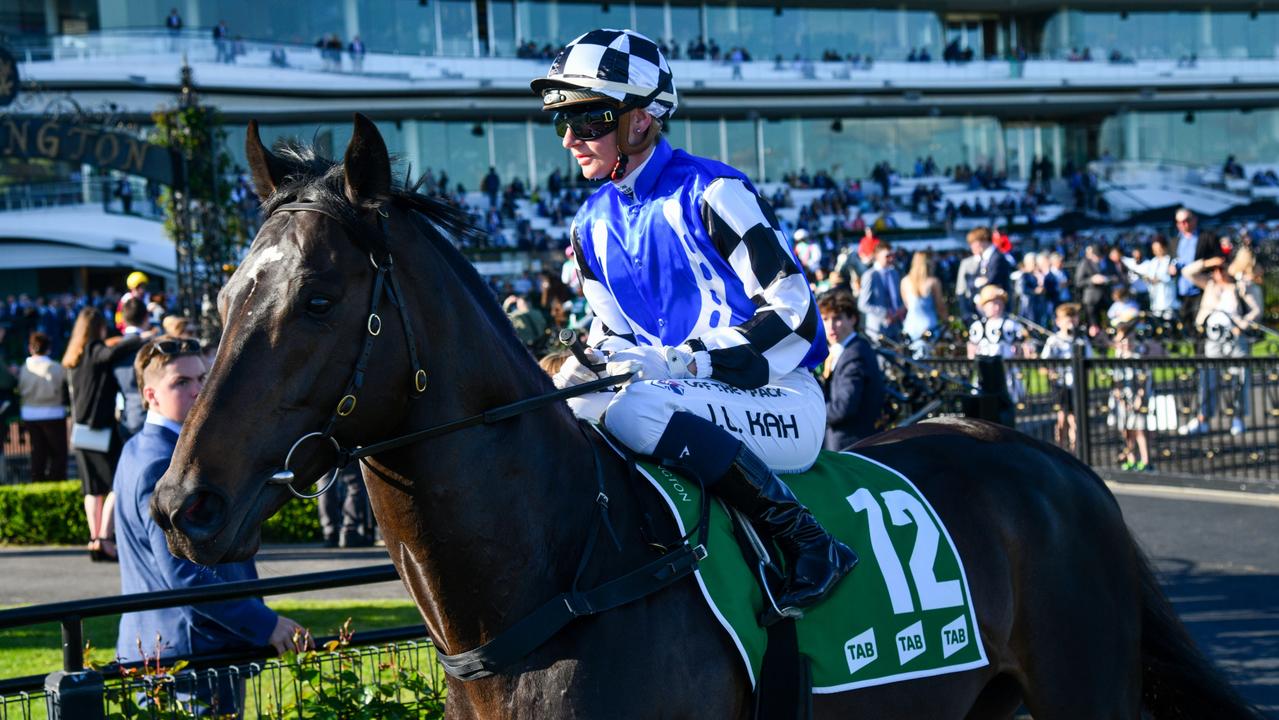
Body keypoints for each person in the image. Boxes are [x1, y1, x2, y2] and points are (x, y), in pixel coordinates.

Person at [535, 28, 855, 611]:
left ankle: (808, 539)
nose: (571, 140)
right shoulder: (587, 225)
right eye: (563, 124)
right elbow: (616, 340)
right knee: (557, 411)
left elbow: (796, 316)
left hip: (780, 397)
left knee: (635, 407)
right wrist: (579, 373)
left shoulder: (714, 189)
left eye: (589, 121)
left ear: (641, 120)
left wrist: (683, 359)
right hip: (680, 395)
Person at [116, 336, 305, 712]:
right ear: (151, 396)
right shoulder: (163, 463)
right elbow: (183, 572)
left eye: (203, 377)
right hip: (192, 656)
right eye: (181, 383)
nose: (199, 390)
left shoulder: (141, 448)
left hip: (170, 646)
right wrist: (263, 623)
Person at [63, 308, 148, 561]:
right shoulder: (94, 350)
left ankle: (93, 539)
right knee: (114, 484)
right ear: (98, 328)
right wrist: (140, 337)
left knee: (91, 489)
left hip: (80, 432)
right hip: (101, 430)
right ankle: (105, 538)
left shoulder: (73, 356)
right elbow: (113, 352)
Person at [1179, 254, 1261, 436]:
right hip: (1213, 338)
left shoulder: (1239, 287)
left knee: (1240, 377)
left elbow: (1256, 310)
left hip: (1235, 337)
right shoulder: (1209, 285)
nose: (1218, 273)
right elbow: (1186, 272)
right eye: (1216, 270)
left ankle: (1238, 417)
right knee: (1208, 376)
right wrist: (1209, 262)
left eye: (1221, 269)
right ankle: (1203, 418)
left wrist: (1242, 325)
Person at [818, 291, 885, 451]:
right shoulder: (843, 349)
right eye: (825, 319)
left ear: (853, 319)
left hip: (849, 444)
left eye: (838, 318)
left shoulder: (855, 354)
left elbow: (843, 408)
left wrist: (811, 413)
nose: (831, 326)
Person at [17, 332, 68, 483]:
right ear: (48, 348)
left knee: (37, 452)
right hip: (53, 413)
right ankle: (55, 481)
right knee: (58, 453)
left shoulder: (24, 368)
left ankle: (37, 481)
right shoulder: (56, 367)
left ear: (30, 348)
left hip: (30, 415)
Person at [1040, 303, 1090, 452]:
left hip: (1077, 383)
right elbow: (1043, 364)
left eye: (1073, 319)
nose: (1071, 322)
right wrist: (1051, 373)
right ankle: (1060, 448)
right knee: (1062, 417)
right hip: (1061, 385)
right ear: (1058, 321)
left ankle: (1075, 450)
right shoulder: (1054, 340)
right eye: (1067, 319)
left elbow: (1089, 360)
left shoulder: (1081, 339)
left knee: (1075, 418)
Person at [1109, 321, 1153, 471]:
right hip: (1124, 401)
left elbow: (1143, 379)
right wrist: (1121, 400)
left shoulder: (1137, 357)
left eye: (1130, 339)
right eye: (1123, 340)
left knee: (1140, 429)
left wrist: (1140, 398)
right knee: (1127, 431)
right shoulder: (1118, 359)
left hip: (1137, 399)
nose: (1127, 343)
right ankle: (1131, 459)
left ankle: (1145, 461)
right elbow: (1116, 384)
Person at [114, 297, 150, 440]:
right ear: (146, 317)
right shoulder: (148, 346)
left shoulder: (114, 349)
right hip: (148, 416)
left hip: (126, 417)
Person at [900, 250, 947, 358]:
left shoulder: (905, 281)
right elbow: (940, 306)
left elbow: (907, 304)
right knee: (929, 360)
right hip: (929, 324)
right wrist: (946, 320)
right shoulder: (933, 282)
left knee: (912, 359)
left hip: (910, 326)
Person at [858, 243, 905, 343]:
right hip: (878, 329)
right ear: (877, 256)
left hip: (896, 326)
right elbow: (862, 304)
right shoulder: (869, 275)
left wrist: (900, 309)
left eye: (892, 255)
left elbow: (897, 298)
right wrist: (884, 313)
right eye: (887, 256)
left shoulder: (894, 273)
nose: (891, 259)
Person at [968, 226, 1012, 300]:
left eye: (973, 243)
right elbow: (972, 280)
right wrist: (977, 282)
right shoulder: (985, 258)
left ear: (983, 241)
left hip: (997, 302)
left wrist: (980, 282)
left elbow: (992, 280)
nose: (971, 247)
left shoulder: (997, 257)